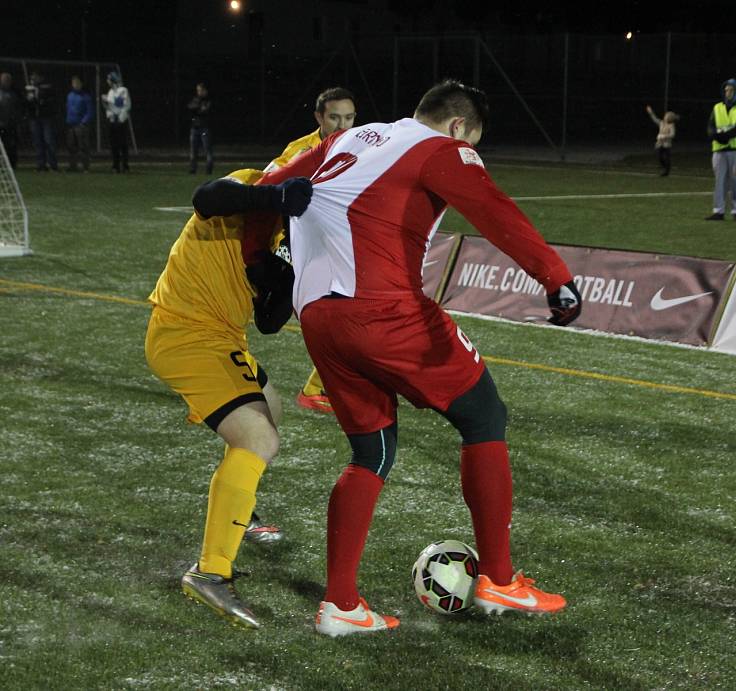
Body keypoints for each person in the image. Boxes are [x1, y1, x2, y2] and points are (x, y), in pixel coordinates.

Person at [255, 79, 582, 637]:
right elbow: (492, 208)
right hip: (383, 311)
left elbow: (264, 188)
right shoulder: (442, 148)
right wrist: (555, 278)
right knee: (483, 415)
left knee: (371, 451)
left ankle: (340, 606)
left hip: (318, 320)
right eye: (472, 140)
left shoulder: (351, 138)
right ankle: (499, 579)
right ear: (459, 127)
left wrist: (259, 270)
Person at [145, 170, 313, 628]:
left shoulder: (287, 229)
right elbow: (207, 195)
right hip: (185, 332)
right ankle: (210, 573)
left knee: (269, 412)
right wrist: (274, 194)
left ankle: (238, 507)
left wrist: (287, 277)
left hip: (222, 338)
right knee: (258, 439)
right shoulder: (250, 186)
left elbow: (268, 321)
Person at [264, 86, 357, 415]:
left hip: (336, 245)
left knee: (345, 312)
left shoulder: (360, 144)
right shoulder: (302, 150)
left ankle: (320, 388)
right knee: (276, 317)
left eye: (349, 118)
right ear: (319, 117)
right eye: (334, 117)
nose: (343, 126)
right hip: (299, 247)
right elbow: (269, 183)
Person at [705, 78, 736, 222]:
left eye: (731, 90)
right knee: (719, 181)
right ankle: (718, 211)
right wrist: (716, 137)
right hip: (719, 150)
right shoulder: (717, 107)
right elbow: (710, 126)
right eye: (726, 90)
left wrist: (724, 137)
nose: (728, 93)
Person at [24, 71, 58, 172]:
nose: (33, 79)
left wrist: (42, 101)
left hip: (46, 118)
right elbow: (26, 104)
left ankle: (52, 165)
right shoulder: (29, 89)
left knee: (49, 141)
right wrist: (29, 100)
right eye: (32, 77)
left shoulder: (47, 88)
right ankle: (41, 165)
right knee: (38, 142)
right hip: (34, 118)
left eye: (35, 77)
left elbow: (52, 102)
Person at [102, 72, 131, 173]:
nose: (107, 81)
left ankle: (125, 166)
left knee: (123, 144)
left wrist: (120, 118)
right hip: (112, 121)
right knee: (114, 144)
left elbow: (126, 105)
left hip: (121, 122)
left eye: (108, 79)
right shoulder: (110, 92)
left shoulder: (123, 90)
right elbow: (110, 108)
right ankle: (115, 165)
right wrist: (106, 105)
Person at [65, 76, 94, 173]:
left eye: (77, 83)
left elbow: (90, 111)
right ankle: (73, 166)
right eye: (74, 83)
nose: (75, 85)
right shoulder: (70, 95)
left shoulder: (86, 97)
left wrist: (83, 122)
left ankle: (85, 167)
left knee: (83, 147)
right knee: (71, 147)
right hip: (71, 125)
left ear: (81, 84)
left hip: (80, 125)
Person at [645, 105, 679, 176]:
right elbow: (655, 119)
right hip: (660, 144)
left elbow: (672, 134)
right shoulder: (662, 123)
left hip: (667, 145)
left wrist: (664, 136)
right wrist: (651, 112)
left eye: (666, 116)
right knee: (660, 157)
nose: (665, 116)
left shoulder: (671, 125)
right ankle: (664, 167)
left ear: (669, 118)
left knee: (667, 158)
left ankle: (666, 171)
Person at [188, 82, 213, 175]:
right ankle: (192, 169)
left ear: (205, 90)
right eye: (198, 90)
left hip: (204, 128)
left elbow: (205, 110)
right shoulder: (196, 99)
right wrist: (198, 108)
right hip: (194, 128)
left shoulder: (208, 100)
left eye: (201, 90)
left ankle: (209, 170)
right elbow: (190, 107)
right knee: (193, 151)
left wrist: (197, 109)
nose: (199, 92)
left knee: (207, 150)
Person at [0, 72, 23, 169]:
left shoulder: (15, 93)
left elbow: (19, 108)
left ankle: (12, 164)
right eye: (4, 80)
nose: (6, 82)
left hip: (11, 124)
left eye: (7, 80)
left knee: (11, 146)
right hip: (1, 123)